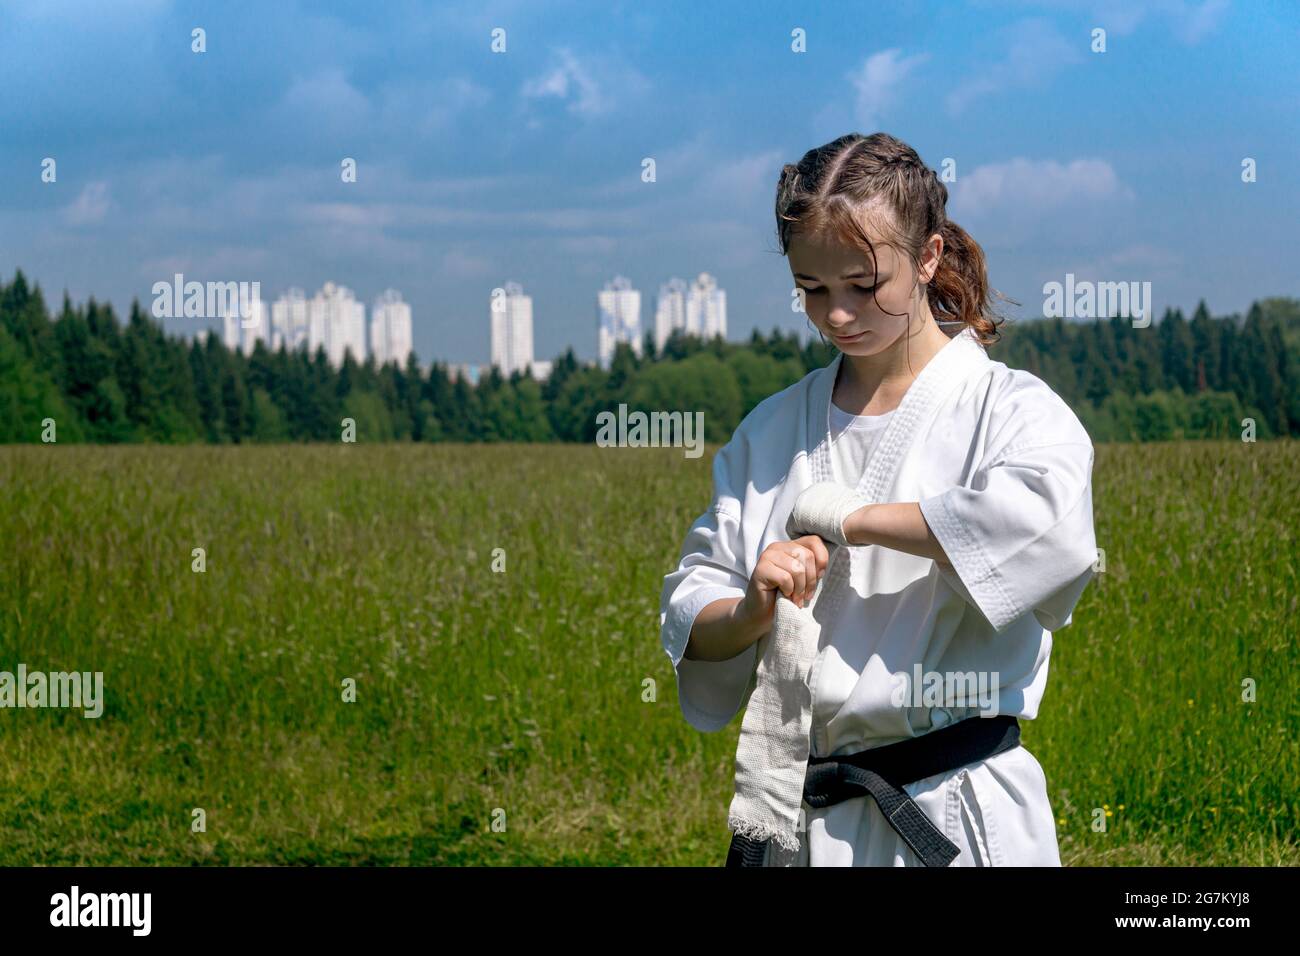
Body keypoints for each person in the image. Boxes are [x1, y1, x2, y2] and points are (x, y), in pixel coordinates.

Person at [658, 132, 1098, 866]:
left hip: (955, 813)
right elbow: (691, 601)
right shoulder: (772, 433)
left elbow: (1048, 535)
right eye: (812, 289)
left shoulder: (1010, 411)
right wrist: (750, 609)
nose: (836, 315)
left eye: (864, 285)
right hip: (801, 823)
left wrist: (853, 520)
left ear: (927, 257)